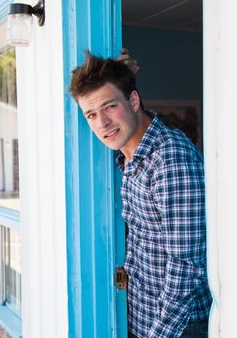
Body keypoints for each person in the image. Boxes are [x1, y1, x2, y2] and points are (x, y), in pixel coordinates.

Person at [69, 51, 212, 338]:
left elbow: (186, 267)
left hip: (178, 329)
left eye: (110, 107)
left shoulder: (170, 159)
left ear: (133, 101)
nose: (102, 123)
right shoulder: (130, 157)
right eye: (91, 114)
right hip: (140, 319)